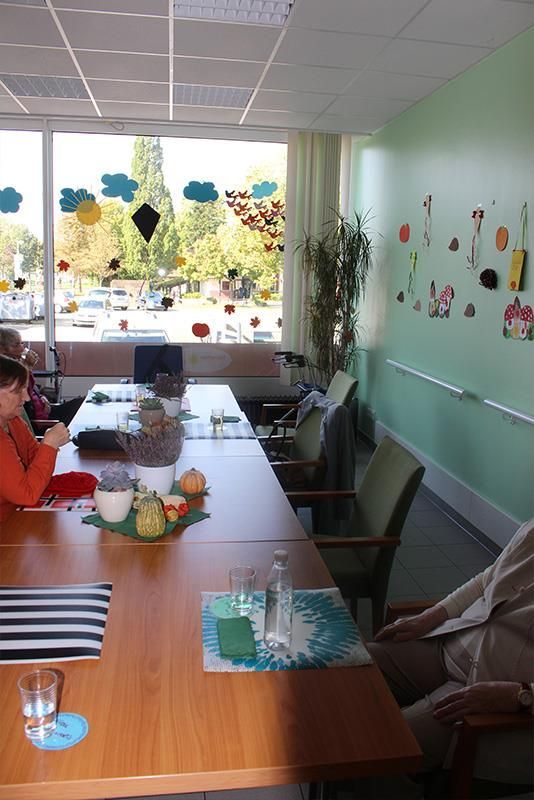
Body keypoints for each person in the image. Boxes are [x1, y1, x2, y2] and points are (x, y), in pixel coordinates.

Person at [368, 517, 534, 791]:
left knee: (383, 749)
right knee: (354, 666)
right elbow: (487, 579)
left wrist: (520, 696)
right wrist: (432, 615)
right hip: (452, 644)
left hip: (489, 691)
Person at [0, 354, 70, 521]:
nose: (26, 398)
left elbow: (34, 459)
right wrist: (50, 444)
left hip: (18, 514)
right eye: (18, 391)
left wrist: (47, 446)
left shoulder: (14, 422)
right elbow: (26, 495)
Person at [0, 327, 83, 427]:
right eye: (16, 345)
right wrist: (27, 367)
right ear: (2, 349)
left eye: (22, 343)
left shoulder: (19, 365)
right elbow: (26, 395)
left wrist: (42, 397)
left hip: (45, 410)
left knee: (81, 402)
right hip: (42, 421)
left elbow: (32, 391)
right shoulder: (9, 375)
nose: (22, 348)